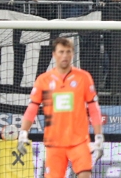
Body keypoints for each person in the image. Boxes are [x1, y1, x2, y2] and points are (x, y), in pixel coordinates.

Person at [17, 37, 104, 178]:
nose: (65, 55)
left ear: (73, 54)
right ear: (54, 54)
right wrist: (23, 133)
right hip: (54, 142)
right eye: (61, 52)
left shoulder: (83, 77)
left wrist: (99, 136)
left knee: (85, 174)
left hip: (79, 140)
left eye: (68, 52)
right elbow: (32, 108)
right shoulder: (43, 80)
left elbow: (93, 108)